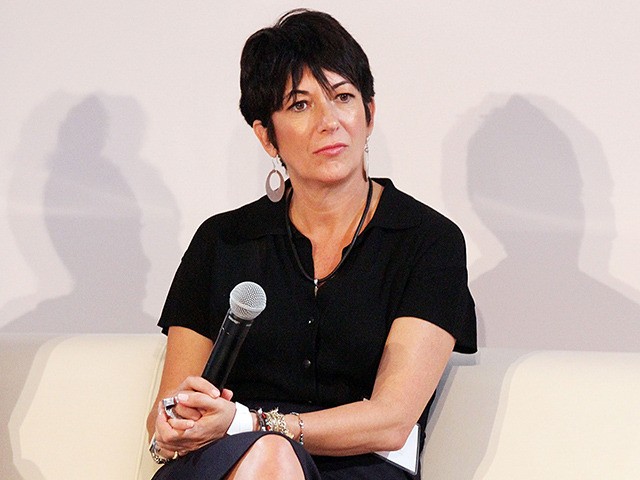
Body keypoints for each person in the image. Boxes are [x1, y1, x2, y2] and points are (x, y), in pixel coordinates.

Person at [147, 8, 476, 480]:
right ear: (266, 135)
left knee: (272, 455)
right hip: (225, 463)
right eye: (300, 105)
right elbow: (171, 405)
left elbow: (391, 419)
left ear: (370, 113)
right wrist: (172, 426)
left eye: (343, 96)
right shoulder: (222, 241)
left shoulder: (427, 242)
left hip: (360, 467)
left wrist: (258, 426)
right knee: (264, 458)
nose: (329, 121)